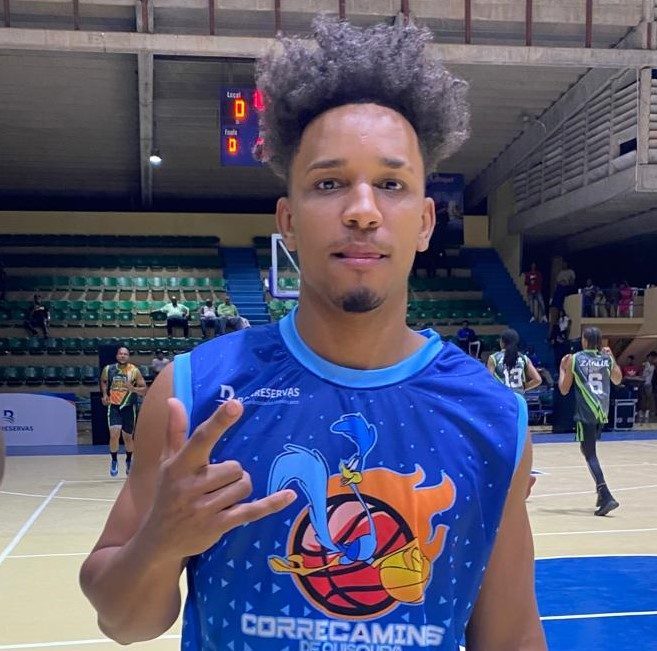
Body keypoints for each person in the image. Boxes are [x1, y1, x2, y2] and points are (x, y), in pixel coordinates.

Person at [80, 19, 545, 650]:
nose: (363, 210)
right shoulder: (194, 394)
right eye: (330, 183)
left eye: (391, 184)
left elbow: (512, 635)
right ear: (289, 222)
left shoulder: (492, 417)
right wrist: (159, 543)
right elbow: (123, 622)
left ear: (425, 221)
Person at [558, 327, 622, 516]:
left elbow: (564, 389)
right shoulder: (606, 358)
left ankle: (605, 494)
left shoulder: (575, 358)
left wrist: (562, 369)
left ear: (584, 341)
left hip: (586, 412)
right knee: (588, 450)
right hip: (602, 412)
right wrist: (612, 357)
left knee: (590, 454)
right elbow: (617, 380)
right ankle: (601, 494)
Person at [100, 346, 147, 477]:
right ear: (117, 356)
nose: (122, 356)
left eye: (125, 354)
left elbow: (144, 389)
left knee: (128, 438)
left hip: (129, 407)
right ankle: (114, 460)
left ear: (128, 356)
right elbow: (103, 381)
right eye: (120, 353)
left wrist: (133, 389)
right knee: (114, 435)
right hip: (114, 406)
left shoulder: (134, 370)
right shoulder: (108, 369)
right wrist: (104, 394)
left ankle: (128, 461)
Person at [487, 329, 542, 394]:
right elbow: (538, 380)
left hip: (502, 396)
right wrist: (522, 388)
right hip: (518, 397)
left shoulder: (494, 358)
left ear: (502, 342)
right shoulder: (523, 358)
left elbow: (488, 381)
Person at [637, 351, 657, 423]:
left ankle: (647, 412)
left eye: (654, 358)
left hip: (649, 384)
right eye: (652, 358)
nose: (653, 359)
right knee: (642, 398)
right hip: (642, 383)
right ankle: (641, 412)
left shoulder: (653, 366)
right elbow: (641, 373)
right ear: (650, 357)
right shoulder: (645, 364)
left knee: (648, 399)